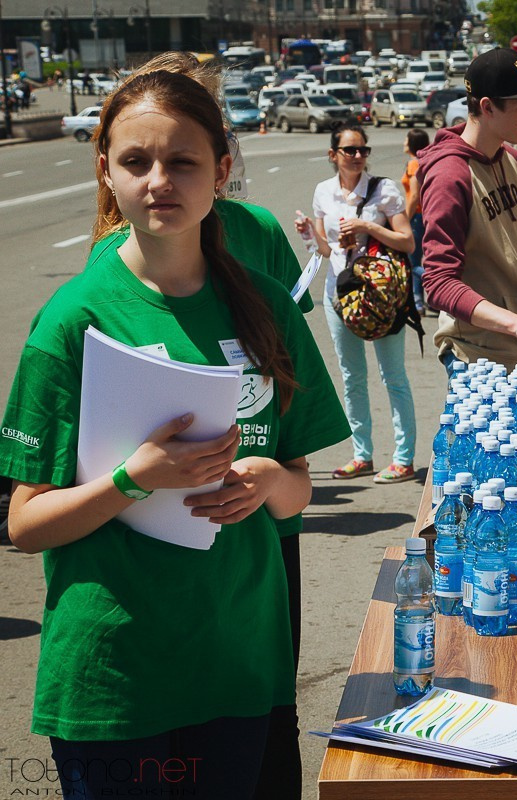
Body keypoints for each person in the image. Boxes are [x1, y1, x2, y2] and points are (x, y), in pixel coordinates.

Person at [0, 68, 349, 800]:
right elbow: (26, 525)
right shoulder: (73, 319)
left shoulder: (266, 311)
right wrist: (134, 479)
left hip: (237, 663)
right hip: (115, 676)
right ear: (106, 171)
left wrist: (269, 481)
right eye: (136, 161)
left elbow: (297, 489)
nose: (159, 181)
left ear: (221, 171)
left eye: (182, 162)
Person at [419, 48, 517, 372]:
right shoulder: (449, 175)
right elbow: (438, 283)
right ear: (487, 107)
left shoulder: (514, 160)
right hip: (477, 359)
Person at [297, 123, 419, 484]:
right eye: (349, 150)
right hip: (340, 294)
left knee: (393, 376)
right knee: (352, 377)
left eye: (362, 150)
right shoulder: (323, 191)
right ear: (332, 155)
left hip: (381, 295)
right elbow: (325, 250)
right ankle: (362, 455)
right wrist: (309, 234)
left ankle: (404, 458)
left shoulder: (384, 190)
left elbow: (407, 241)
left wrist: (368, 228)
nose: (357, 156)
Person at [403, 128, 431, 314]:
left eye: (406, 139)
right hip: (426, 215)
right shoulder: (426, 160)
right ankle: (422, 300)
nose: (404, 142)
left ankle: (420, 299)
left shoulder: (414, 164)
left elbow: (414, 196)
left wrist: (405, 218)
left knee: (412, 262)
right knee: (419, 258)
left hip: (416, 216)